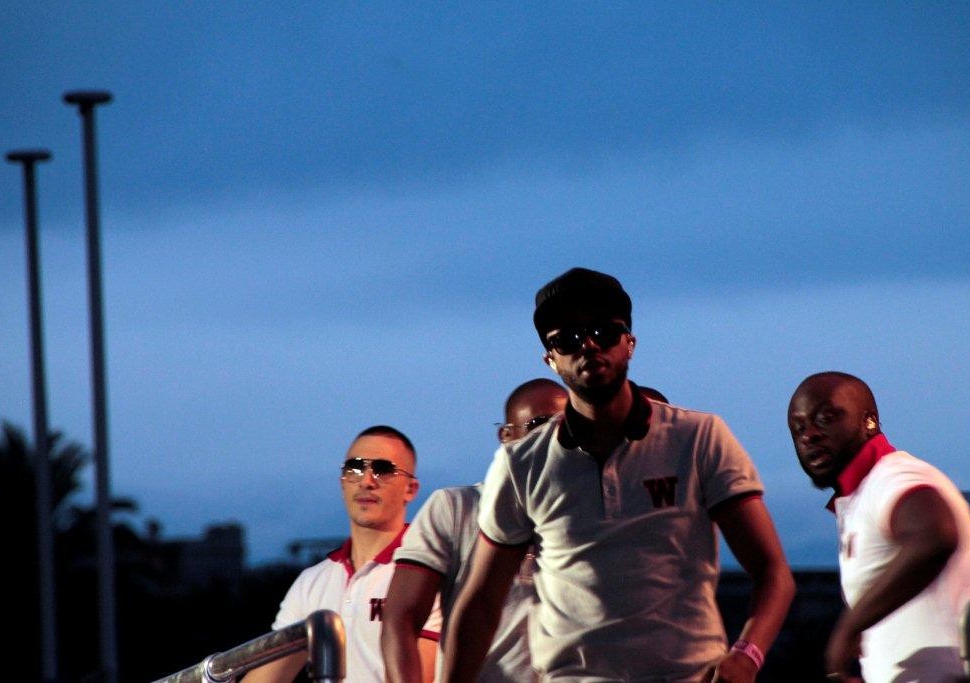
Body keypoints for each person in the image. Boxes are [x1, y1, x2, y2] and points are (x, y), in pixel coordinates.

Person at [442, 267, 795, 683]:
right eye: (568, 339)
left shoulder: (698, 438)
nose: (588, 345)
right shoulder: (522, 463)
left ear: (630, 342)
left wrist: (747, 656)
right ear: (550, 359)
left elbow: (772, 571)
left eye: (604, 331)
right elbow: (482, 601)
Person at [787, 371, 970, 682]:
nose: (809, 435)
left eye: (826, 418)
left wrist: (849, 627)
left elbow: (936, 533)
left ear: (869, 421)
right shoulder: (862, 495)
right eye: (798, 428)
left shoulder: (893, 476)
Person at [382, 378, 568, 682]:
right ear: (506, 436)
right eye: (540, 424)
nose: (553, 436)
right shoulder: (457, 507)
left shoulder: (588, 515)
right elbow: (401, 617)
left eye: (565, 425)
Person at [242, 425, 439, 683]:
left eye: (383, 469)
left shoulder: (433, 573)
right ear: (343, 482)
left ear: (410, 489)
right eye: (355, 468)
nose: (367, 481)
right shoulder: (311, 582)